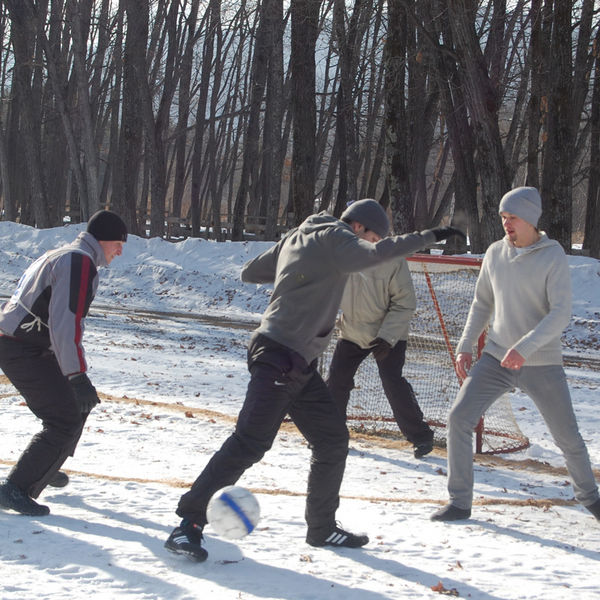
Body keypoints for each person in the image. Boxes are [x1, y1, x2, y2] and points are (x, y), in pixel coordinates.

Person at [164, 198, 465, 562]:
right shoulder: (337, 237)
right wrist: (430, 235)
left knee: (332, 440)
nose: (369, 245)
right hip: (279, 356)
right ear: (358, 227)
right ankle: (188, 525)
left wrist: (301, 271)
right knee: (249, 443)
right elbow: (374, 255)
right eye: (371, 237)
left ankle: (321, 528)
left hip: (297, 362)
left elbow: (251, 272)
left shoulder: (301, 235)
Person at [430, 187, 600, 523]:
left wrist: (524, 348)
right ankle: (460, 502)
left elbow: (561, 314)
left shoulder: (552, 256)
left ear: (531, 219)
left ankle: (591, 498)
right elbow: (482, 303)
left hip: (541, 362)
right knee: (459, 419)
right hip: (495, 358)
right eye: (503, 217)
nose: (507, 223)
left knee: (568, 438)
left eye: (514, 217)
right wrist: (465, 345)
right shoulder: (495, 253)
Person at [0, 210, 128, 516]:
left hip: (24, 344)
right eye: (119, 243)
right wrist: (76, 375)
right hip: (21, 347)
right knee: (65, 418)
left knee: (79, 404)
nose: (120, 251)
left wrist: (76, 379)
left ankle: (45, 463)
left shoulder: (66, 254)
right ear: (103, 239)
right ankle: (15, 488)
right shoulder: (78, 262)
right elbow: (65, 324)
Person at [327, 255, 435, 458]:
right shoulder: (341, 252)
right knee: (336, 380)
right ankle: (331, 436)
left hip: (389, 333)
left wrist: (387, 337)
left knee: (392, 381)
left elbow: (405, 302)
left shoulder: (393, 258)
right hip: (352, 331)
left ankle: (421, 436)